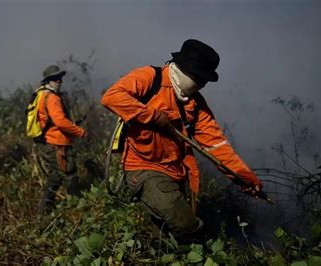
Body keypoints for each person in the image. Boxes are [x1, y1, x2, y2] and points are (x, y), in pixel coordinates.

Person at [101, 39, 263, 241]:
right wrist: (151, 116)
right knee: (186, 224)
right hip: (143, 167)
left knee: (163, 235)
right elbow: (111, 97)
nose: (202, 85)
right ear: (185, 70)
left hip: (176, 174)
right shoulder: (150, 78)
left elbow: (216, 145)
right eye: (200, 79)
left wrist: (244, 177)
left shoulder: (196, 104)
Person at [34, 65, 87, 214]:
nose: (59, 81)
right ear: (47, 81)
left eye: (60, 78)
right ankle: (78, 209)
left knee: (56, 175)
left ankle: (45, 210)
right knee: (70, 174)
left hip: (50, 142)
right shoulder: (52, 97)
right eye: (54, 78)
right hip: (57, 143)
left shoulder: (41, 95)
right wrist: (80, 132)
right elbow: (60, 122)